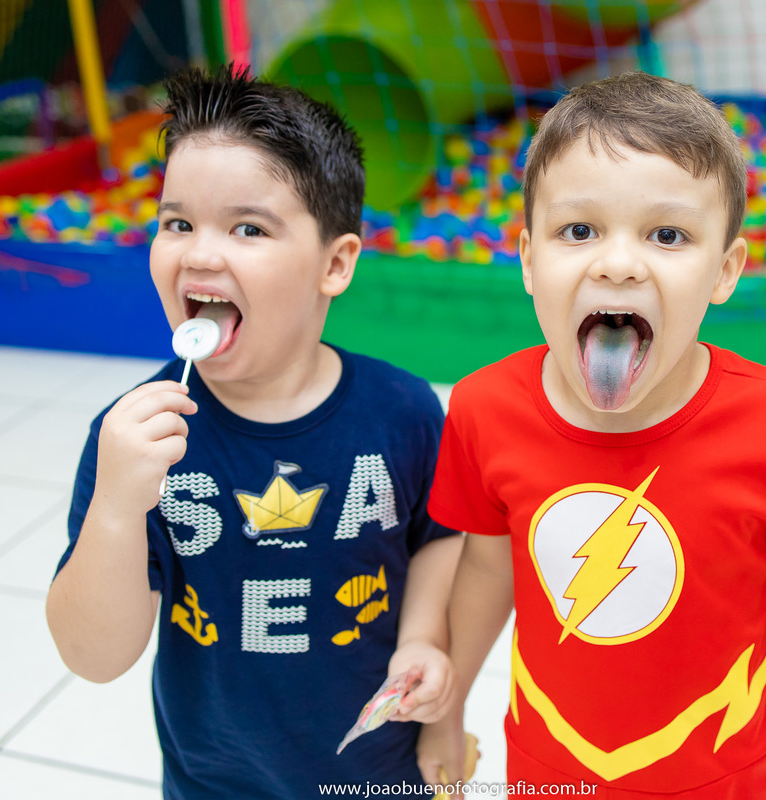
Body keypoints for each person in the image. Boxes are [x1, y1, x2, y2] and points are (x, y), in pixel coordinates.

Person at [423, 73, 766, 799]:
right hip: (549, 776)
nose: (617, 262)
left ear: (725, 272)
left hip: (724, 781)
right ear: (526, 259)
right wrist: (443, 714)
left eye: (667, 235)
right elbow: (488, 569)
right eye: (579, 231)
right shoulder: (483, 409)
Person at [46, 64, 460, 799]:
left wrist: (428, 643)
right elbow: (93, 656)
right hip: (215, 780)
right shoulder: (133, 440)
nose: (200, 253)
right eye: (178, 222)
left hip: (378, 770)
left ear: (335, 264)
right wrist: (116, 508)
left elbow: (441, 538)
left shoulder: (403, 412)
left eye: (247, 227)